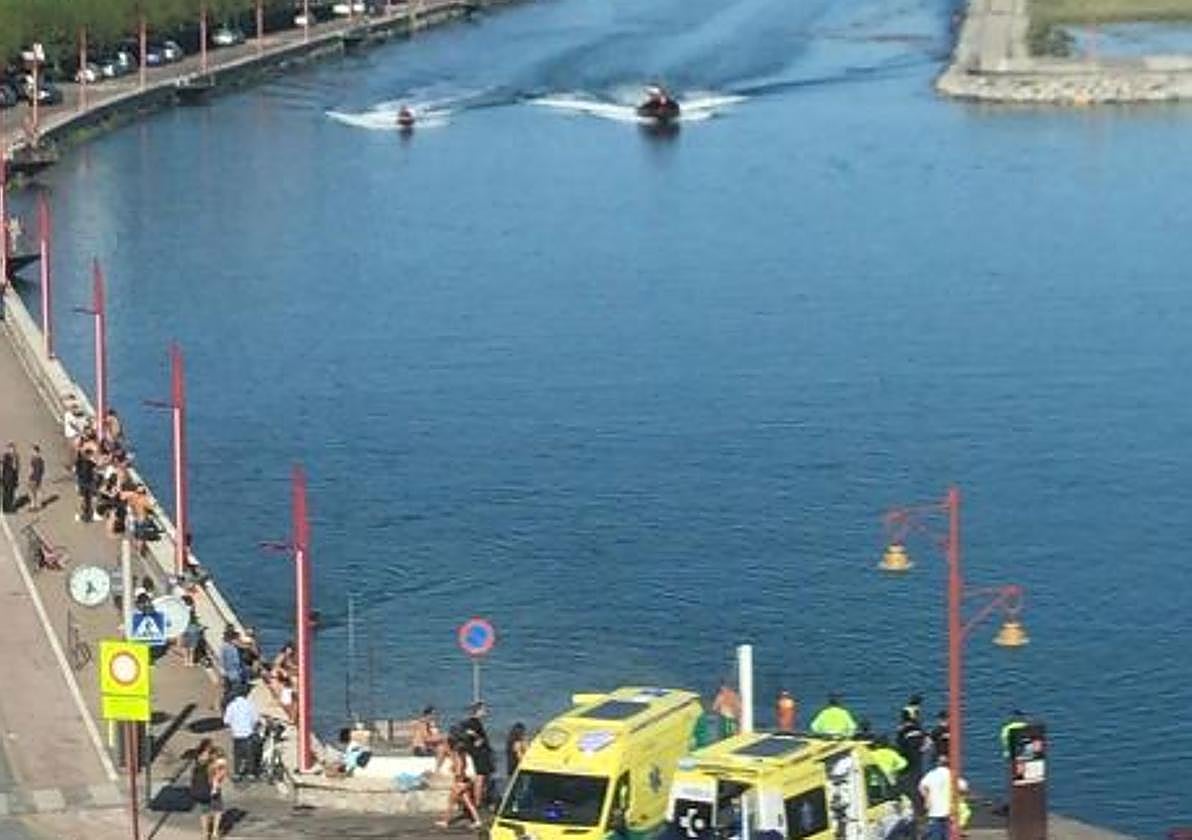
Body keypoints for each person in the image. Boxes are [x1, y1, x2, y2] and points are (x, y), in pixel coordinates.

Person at [436, 737, 482, 830]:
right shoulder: (462, 755)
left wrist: (457, 779)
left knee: (451, 802)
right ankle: (477, 821)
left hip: (460, 781)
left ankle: (445, 821)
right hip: (465, 781)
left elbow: (459, 770)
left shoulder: (457, 757)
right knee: (468, 802)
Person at [460, 701, 495, 809]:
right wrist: (478, 738)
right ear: (478, 711)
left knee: (482, 778)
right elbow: (469, 732)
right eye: (483, 710)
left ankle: (479, 800)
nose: (485, 712)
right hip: (480, 754)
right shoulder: (474, 722)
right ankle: (477, 802)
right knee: (480, 778)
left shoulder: (472, 722)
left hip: (480, 753)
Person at [223, 686, 260, 781]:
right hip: (248, 734)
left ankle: (237, 773)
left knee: (238, 754)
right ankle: (250, 773)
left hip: (236, 735)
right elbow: (255, 719)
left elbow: (226, 721)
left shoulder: (231, 705)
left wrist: (233, 725)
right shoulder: (250, 704)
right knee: (250, 754)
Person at [895, 709, 929, 813]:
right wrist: (923, 749)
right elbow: (927, 740)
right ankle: (923, 805)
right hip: (918, 757)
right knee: (919, 780)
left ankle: (914, 807)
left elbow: (899, 745)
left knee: (909, 784)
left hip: (907, 759)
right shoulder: (918, 728)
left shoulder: (902, 731)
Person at [918, 755, 952, 840]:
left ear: (937, 763)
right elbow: (963, 787)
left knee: (934, 835)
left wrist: (927, 799)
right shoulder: (952, 774)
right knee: (948, 835)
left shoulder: (931, 774)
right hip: (949, 810)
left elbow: (922, 787)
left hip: (934, 810)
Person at [190, 738, 214, 838]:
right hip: (206, 789)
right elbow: (211, 776)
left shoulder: (196, 759)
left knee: (203, 812)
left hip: (197, 789)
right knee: (207, 811)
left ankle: (205, 833)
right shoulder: (209, 760)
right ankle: (207, 832)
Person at [219, 626, 247, 705]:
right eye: (236, 639)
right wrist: (223, 671)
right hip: (230, 672)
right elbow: (222, 659)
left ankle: (228, 702)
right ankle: (226, 702)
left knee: (234, 689)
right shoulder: (225, 647)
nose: (238, 640)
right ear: (231, 639)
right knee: (233, 690)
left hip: (237, 672)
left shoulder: (236, 647)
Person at [208, 746, 229, 839]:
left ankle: (209, 830)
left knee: (209, 810)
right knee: (218, 811)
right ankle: (214, 832)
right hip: (215, 789)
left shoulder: (209, 763)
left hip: (207, 788)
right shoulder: (221, 763)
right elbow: (221, 776)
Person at [1, 443, 19, 513]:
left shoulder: (16, 456)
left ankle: (10, 507)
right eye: (11, 449)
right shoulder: (6, 456)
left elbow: (17, 468)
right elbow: (3, 466)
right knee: (6, 492)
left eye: (13, 449)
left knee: (11, 492)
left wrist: (17, 477)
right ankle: (6, 508)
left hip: (13, 477)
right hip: (6, 477)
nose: (12, 450)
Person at [27, 444, 44, 511]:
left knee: (32, 491)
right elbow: (42, 470)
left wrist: (30, 476)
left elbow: (31, 469)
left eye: (32, 451)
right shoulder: (41, 460)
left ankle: (33, 504)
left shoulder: (34, 460)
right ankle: (38, 504)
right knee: (37, 491)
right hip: (38, 478)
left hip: (33, 477)